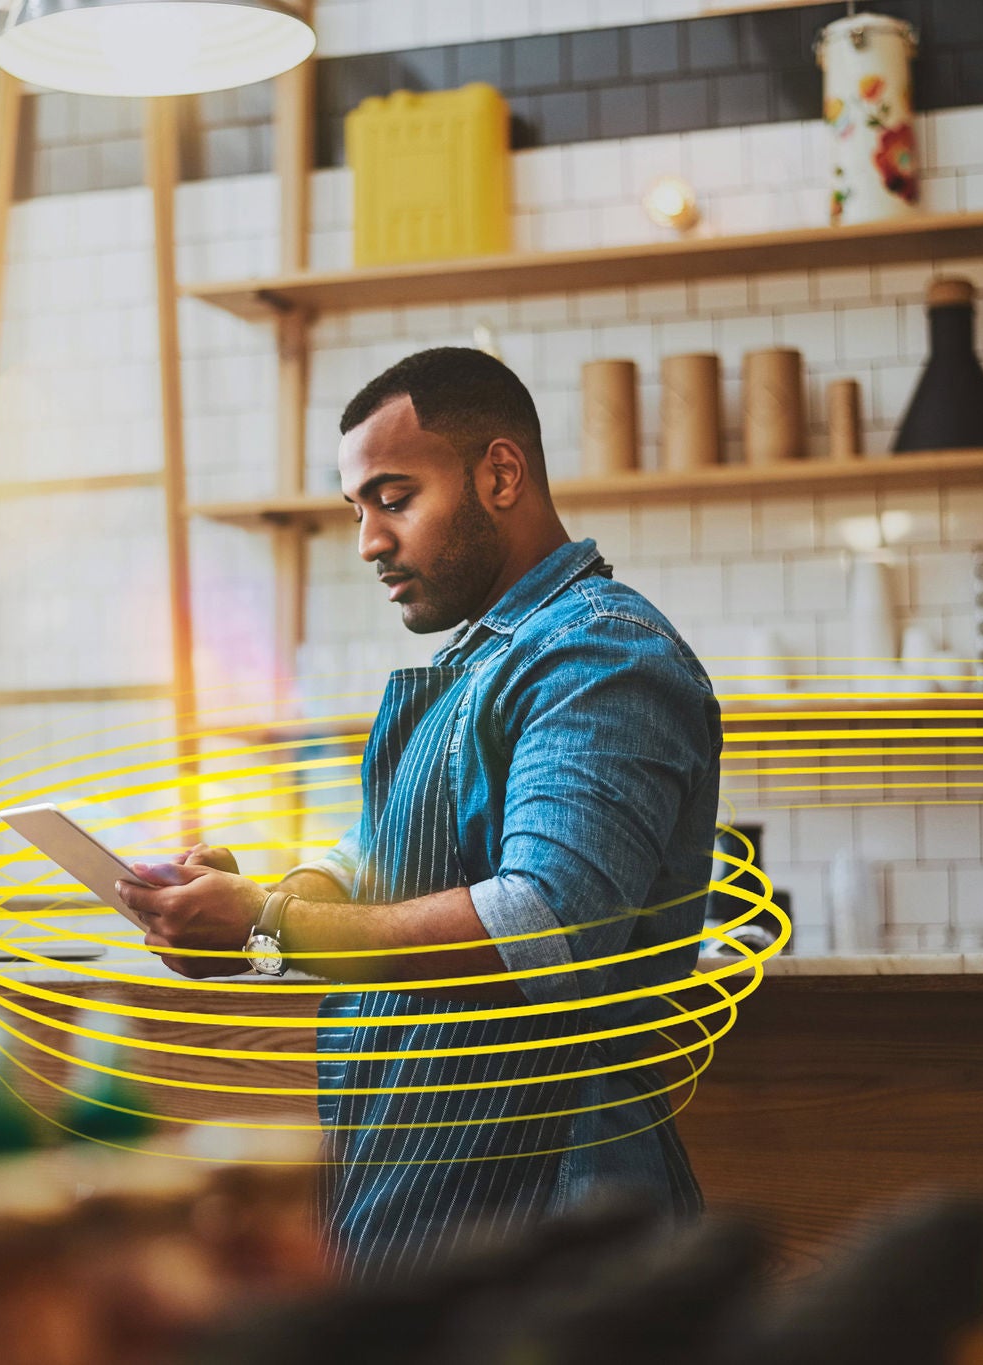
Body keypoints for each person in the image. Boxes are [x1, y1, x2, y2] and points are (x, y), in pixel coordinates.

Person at [114, 347, 722, 1283]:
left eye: (394, 499)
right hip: (418, 1194)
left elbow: (546, 923)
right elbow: (363, 865)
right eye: (356, 510)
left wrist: (267, 922)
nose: (368, 541)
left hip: (549, 1214)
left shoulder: (601, 655)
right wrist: (248, 919)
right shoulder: (481, 662)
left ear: (501, 474)